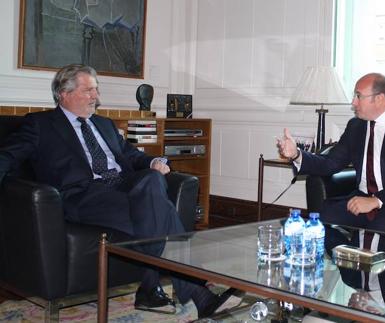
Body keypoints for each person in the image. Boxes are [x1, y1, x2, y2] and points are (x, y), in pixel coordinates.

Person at [0, 64, 233, 318]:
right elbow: (7, 156)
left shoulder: (105, 125)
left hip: (122, 185)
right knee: (157, 214)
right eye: (89, 90)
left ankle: (151, 289)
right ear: (64, 94)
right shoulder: (39, 124)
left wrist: (154, 162)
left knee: (153, 182)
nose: (96, 97)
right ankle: (183, 291)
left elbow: (132, 156)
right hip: (84, 194)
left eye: (96, 90)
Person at [277, 72, 385, 243]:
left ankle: (377, 265)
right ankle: (345, 264)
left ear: (379, 98)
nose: (353, 102)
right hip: (364, 198)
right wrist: (297, 154)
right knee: (325, 214)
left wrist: (376, 200)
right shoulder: (356, 126)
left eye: (358, 96)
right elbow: (330, 163)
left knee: (383, 223)